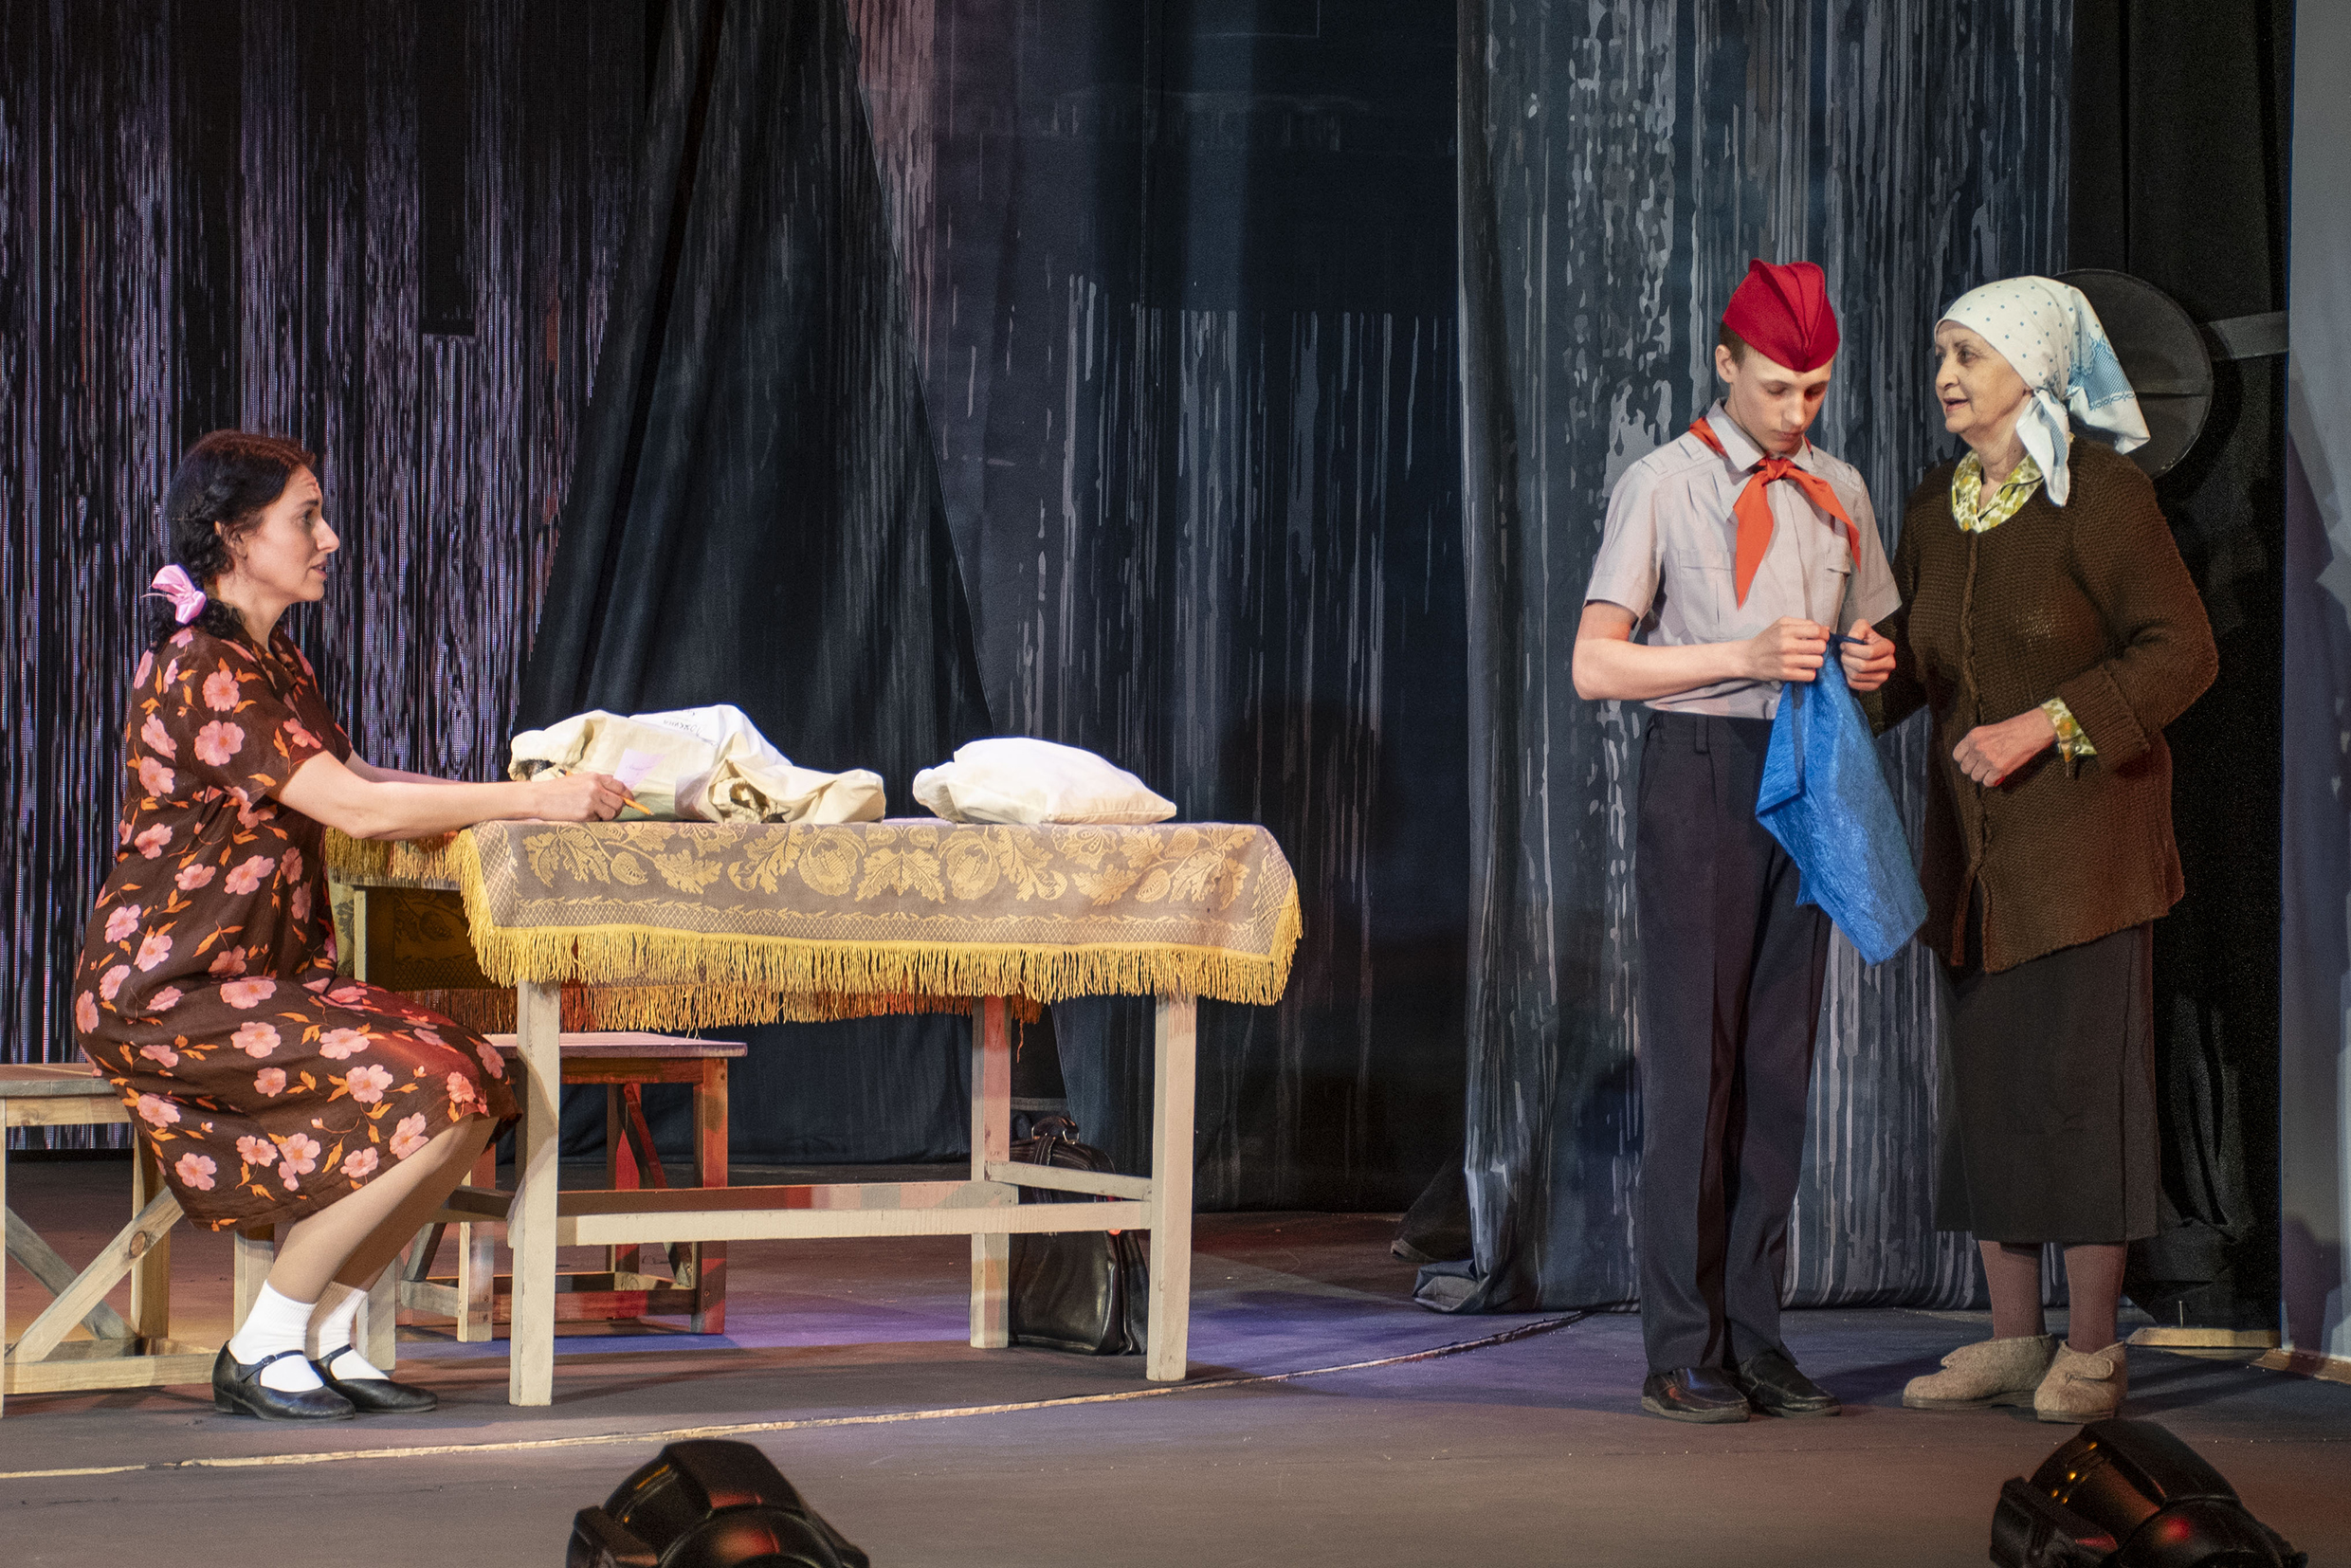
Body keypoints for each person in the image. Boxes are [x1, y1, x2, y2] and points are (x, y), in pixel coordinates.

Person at [72, 431, 627, 1420]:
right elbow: (356, 810)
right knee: (433, 1087)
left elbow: (360, 775)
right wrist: (531, 801)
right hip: (169, 991)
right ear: (235, 537)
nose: (329, 538)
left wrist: (522, 799)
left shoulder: (273, 658)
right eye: (306, 517)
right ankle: (262, 1344)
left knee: (479, 1076)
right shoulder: (203, 666)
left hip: (262, 977)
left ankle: (327, 1331)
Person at [1875, 279, 2216, 1423]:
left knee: (2079, 1104)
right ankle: (2012, 1341)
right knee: (1994, 1105)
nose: (1944, 375)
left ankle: (2092, 1349)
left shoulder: (2101, 498)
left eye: (1966, 354)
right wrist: (1841, 673)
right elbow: (1910, 664)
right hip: (1974, 871)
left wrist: (2047, 723)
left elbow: (2180, 650)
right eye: (1939, 354)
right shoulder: (1933, 509)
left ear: (2029, 367)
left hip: (2085, 858)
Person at [1573, 260, 1900, 1423]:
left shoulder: (1837, 487)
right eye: (1774, 387)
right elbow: (1594, 663)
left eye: (1813, 389)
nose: (1795, 410)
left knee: (1776, 1064)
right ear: (1723, 364)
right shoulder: (1661, 484)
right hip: (1700, 768)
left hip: (1804, 766)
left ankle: (1757, 1336)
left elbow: (1870, 633)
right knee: (1693, 1066)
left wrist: (1873, 660)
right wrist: (1739, 656)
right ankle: (1680, 1345)